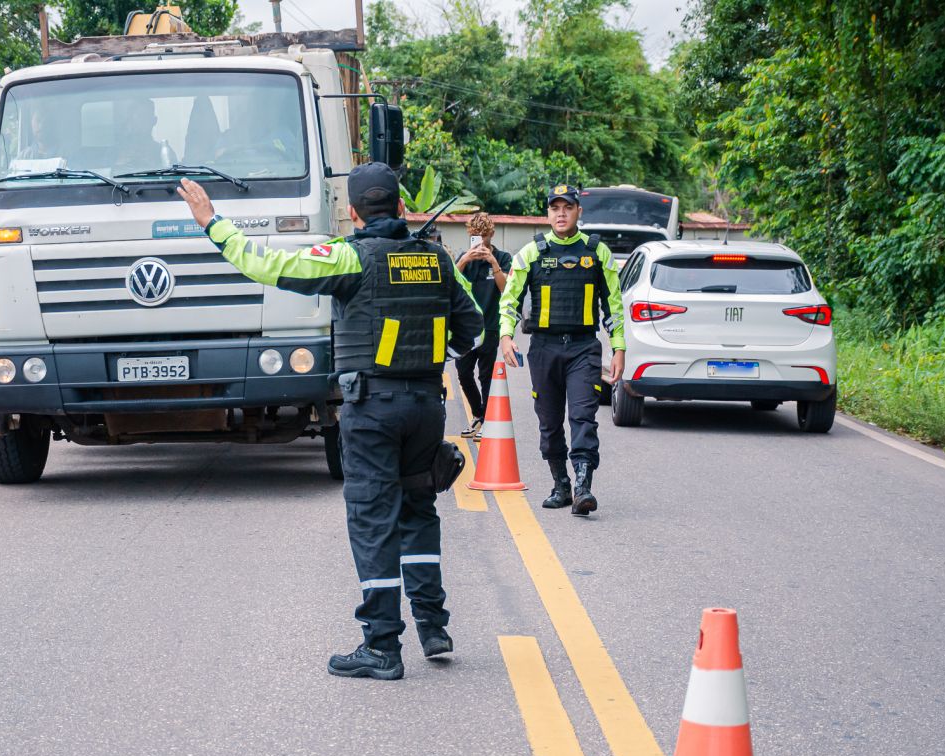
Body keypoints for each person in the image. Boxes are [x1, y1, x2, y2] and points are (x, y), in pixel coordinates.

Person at [176, 163, 484, 681]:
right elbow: (473, 328)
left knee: (373, 519)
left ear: (354, 214)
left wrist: (212, 222)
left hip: (373, 409)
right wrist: (427, 360)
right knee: (418, 510)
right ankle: (433, 626)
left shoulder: (348, 256)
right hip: (426, 407)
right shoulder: (437, 259)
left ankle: (382, 647)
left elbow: (264, 264)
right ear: (402, 208)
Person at [498, 184, 625, 514]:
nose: (561, 213)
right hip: (544, 349)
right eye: (555, 208)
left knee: (583, 417)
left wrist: (619, 348)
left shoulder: (597, 252)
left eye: (567, 207)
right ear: (548, 214)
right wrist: (506, 335)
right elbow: (510, 299)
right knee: (549, 422)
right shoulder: (531, 253)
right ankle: (561, 485)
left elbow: (613, 305)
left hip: (583, 349)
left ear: (578, 211)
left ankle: (583, 487)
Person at [453, 212, 512, 438]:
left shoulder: (503, 257)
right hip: (464, 329)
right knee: (463, 373)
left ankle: (487, 419)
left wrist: (493, 262)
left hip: (490, 326)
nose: (480, 241)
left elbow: (505, 289)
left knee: (486, 376)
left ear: (491, 234)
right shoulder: (464, 258)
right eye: (475, 236)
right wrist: (464, 260)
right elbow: (450, 283)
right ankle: (478, 413)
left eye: (484, 236)